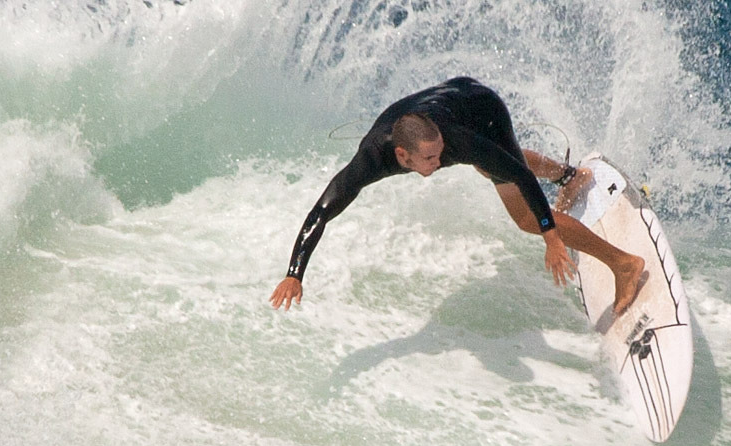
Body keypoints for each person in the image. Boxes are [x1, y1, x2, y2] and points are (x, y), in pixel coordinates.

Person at [269, 76, 645, 314]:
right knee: (490, 163)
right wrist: (294, 274)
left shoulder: (453, 142)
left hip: (483, 111)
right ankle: (568, 176)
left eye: (440, 155)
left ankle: (624, 264)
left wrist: (550, 235)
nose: (438, 162)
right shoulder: (371, 160)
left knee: (523, 209)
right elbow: (321, 212)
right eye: (429, 159)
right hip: (451, 105)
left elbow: (519, 175)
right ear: (403, 157)